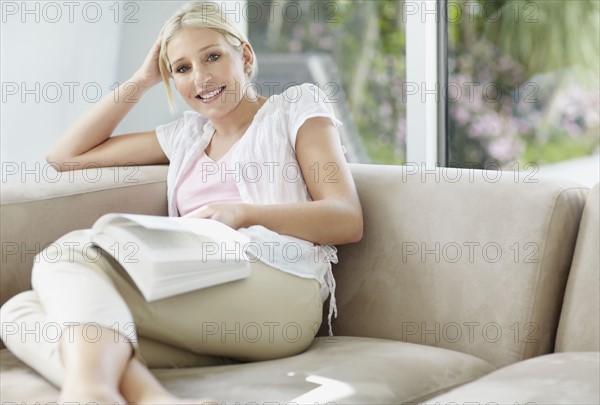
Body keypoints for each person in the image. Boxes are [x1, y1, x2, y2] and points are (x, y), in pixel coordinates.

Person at [0, 1, 363, 403]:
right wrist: (142, 78)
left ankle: (91, 393)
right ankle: (151, 397)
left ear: (244, 55)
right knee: (20, 315)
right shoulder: (185, 137)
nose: (201, 77)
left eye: (212, 57)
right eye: (182, 68)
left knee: (69, 254)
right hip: (199, 296)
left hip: (284, 291)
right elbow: (64, 157)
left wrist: (242, 213)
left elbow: (346, 218)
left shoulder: (294, 109)